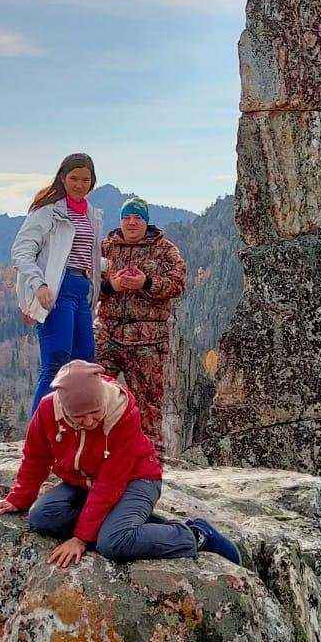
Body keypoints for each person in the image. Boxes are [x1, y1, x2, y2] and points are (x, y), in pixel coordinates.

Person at [0, 360, 240, 566]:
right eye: (79, 417)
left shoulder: (122, 413)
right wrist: (18, 498)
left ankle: (196, 535)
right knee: (41, 517)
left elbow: (111, 482)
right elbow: (36, 457)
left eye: (95, 412)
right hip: (82, 482)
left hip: (137, 479)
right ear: (64, 410)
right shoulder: (48, 411)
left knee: (113, 542)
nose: (89, 421)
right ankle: (122, 523)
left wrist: (80, 537)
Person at [95, 196, 187, 457]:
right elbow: (86, 287)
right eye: (127, 217)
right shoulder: (104, 249)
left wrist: (146, 283)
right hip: (108, 335)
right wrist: (110, 286)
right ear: (120, 220)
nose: (132, 222)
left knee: (148, 405)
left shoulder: (164, 249)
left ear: (146, 221)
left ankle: (150, 461)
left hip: (148, 341)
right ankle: (96, 454)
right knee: (97, 396)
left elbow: (178, 284)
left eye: (138, 217)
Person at [12, 152, 103, 413]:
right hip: (56, 290)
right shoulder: (48, 213)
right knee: (56, 360)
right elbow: (21, 251)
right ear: (63, 178)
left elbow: (88, 256)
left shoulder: (92, 215)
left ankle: (72, 425)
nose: (79, 184)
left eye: (85, 179)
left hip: (82, 289)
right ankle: (38, 433)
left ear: (92, 182)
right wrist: (38, 286)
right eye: (74, 178)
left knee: (84, 361)